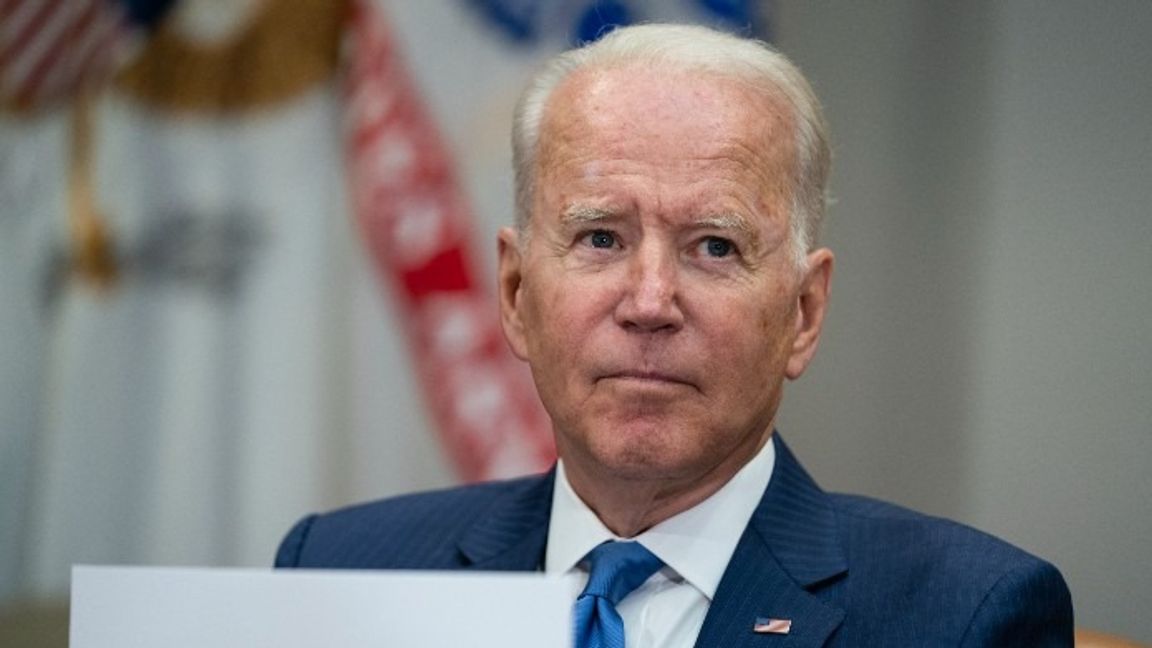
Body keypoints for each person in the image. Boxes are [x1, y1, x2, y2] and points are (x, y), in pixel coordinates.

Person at [276, 24, 1073, 647]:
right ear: (516, 294)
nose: (650, 301)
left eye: (714, 247)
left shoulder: (964, 617)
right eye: (600, 238)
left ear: (803, 312)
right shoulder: (342, 573)